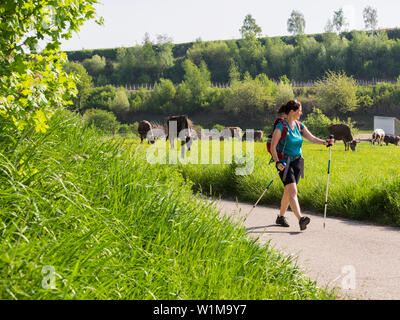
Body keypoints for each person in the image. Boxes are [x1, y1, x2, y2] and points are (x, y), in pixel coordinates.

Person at [271, 100, 334, 231]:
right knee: (293, 191)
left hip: (298, 162)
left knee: (288, 191)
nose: (301, 112)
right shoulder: (281, 126)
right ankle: (301, 219)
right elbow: (273, 146)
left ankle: (280, 217)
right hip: (284, 163)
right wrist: (277, 162)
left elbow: (312, 138)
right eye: (300, 110)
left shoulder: (299, 125)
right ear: (292, 111)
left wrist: (325, 142)